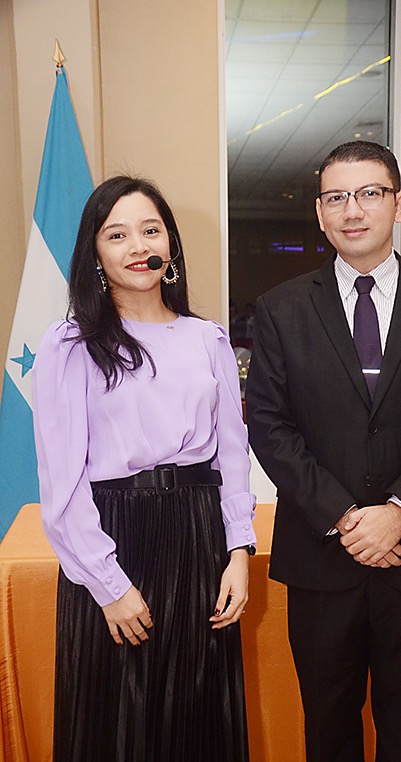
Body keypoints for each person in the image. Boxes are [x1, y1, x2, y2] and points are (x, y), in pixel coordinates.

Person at [245, 140, 401, 762]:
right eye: (336, 197)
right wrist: (346, 516)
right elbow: (269, 426)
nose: (352, 210)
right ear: (320, 212)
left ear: (399, 203)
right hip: (322, 555)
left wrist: (399, 511)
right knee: (328, 728)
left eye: (369, 193)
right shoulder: (280, 310)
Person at [32, 175, 256, 762]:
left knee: (197, 717)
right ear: (95, 253)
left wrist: (238, 552)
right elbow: (62, 481)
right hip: (114, 540)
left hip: (198, 538)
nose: (138, 245)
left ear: (170, 245)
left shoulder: (207, 338)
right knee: (117, 721)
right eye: (117, 234)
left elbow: (232, 453)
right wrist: (109, 586)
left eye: (150, 230)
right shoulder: (70, 344)